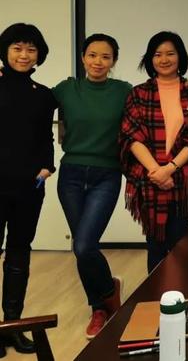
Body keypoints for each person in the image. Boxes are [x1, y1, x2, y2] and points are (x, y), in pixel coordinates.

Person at [53, 33, 132, 339]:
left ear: (114, 61)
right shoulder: (67, 89)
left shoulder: (123, 91)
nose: (98, 62)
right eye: (92, 55)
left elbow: (153, 102)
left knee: (85, 244)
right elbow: (31, 102)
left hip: (107, 175)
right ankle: (100, 304)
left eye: (106, 57)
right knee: (82, 247)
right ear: (83, 57)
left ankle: (104, 298)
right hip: (71, 175)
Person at [119, 32, 188, 273]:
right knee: (155, 246)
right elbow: (131, 135)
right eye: (158, 54)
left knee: (180, 244)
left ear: (180, 57)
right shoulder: (138, 94)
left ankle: (181, 292)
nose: (164, 59)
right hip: (150, 179)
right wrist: (156, 171)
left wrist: (170, 169)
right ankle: (156, 295)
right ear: (150, 59)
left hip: (182, 178)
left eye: (170, 53)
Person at [0, 24, 56, 356]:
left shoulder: (43, 94)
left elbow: (45, 137)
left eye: (31, 49)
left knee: (19, 253)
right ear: (5, 51)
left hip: (29, 188)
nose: (24, 55)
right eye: (17, 48)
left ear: (39, 55)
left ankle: (12, 327)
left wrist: (47, 166)